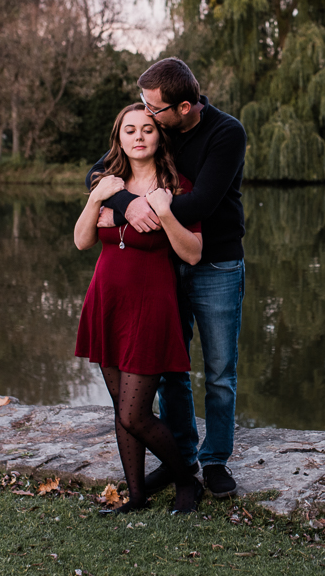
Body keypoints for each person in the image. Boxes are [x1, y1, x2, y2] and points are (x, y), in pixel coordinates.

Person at [88, 57, 246, 499]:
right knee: (171, 370)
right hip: (163, 265)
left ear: (182, 108)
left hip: (215, 263)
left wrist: (146, 207)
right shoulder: (160, 132)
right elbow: (96, 173)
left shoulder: (225, 133)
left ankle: (215, 461)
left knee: (218, 371)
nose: (145, 115)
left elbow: (202, 205)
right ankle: (182, 456)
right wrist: (125, 203)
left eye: (152, 109)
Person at [73, 103, 205, 514]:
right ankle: (136, 496)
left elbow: (194, 253)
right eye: (129, 130)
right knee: (122, 409)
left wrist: (165, 213)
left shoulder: (178, 185)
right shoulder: (110, 183)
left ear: (157, 135)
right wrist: (97, 199)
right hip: (107, 299)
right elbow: (82, 240)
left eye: (147, 128)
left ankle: (187, 478)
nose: (139, 136)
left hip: (150, 304)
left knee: (134, 413)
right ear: (120, 138)